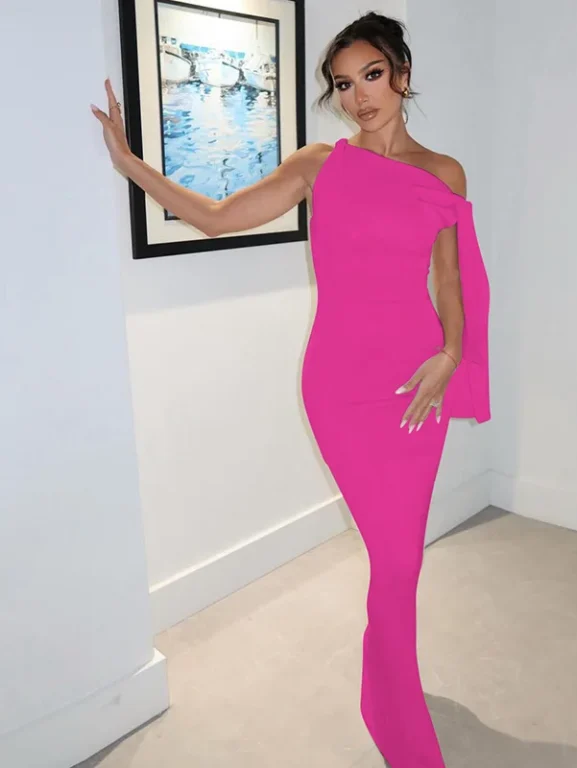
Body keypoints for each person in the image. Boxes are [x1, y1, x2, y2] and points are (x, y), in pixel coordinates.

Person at [92, 11, 490, 767]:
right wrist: (130, 163)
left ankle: (387, 695)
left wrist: (452, 352)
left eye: (372, 75)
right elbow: (214, 218)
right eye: (343, 84)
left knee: (400, 561)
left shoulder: (444, 173)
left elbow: (450, 277)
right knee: (393, 559)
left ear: (403, 75)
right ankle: (403, 725)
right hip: (339, 386)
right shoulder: (318, 165)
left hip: (415, 385)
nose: (359, 96)